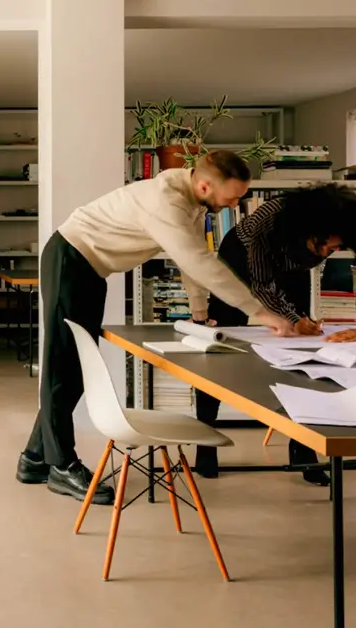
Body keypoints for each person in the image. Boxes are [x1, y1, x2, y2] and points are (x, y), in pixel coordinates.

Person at [16, 151, 293, 504]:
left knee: (75, 370)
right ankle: (61, 465)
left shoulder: (193, 203)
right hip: (70, 259)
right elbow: (202, 264)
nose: (237, 203)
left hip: (89, 270)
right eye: (234, 196)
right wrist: (262, 312)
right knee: (61, 367)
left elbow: (191, 259)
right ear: (206, 185)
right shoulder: (166, 203)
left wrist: (198, 312)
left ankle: (34, 458)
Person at [193, 183, 356, 486]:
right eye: (328, 246)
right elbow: (262, 282)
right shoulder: (270, 219)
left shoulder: (354, 224)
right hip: (239, 257)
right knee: (219, 345)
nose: (331, 253)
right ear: (313, 228)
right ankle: (205, 443)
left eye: (336, 248)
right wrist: (291, 317)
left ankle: (302, 447)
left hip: (292, 264)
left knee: (303, 349)